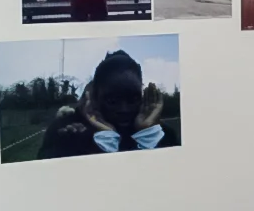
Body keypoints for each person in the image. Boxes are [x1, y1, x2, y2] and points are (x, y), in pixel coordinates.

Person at [37, 50, 179, 159]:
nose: (124, 110)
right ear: (94, 96)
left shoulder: (162, 134)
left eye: (133, 99)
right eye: (112, 101)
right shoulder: (68, 132)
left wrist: (149, 137)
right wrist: (100, 142)